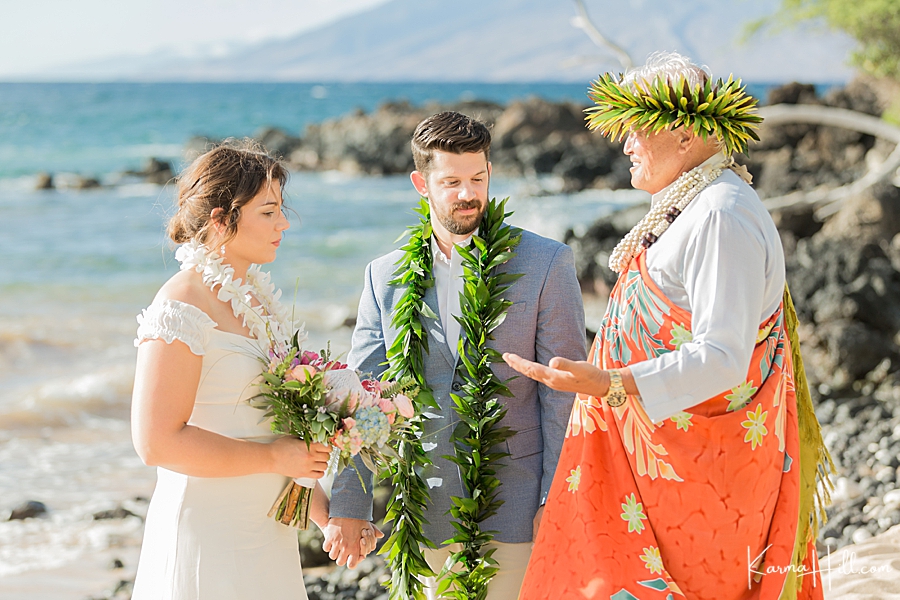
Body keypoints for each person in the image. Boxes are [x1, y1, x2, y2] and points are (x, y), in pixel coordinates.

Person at [504, 52, 829, 599]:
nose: (625, 144)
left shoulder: (721, 214)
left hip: (698, 481)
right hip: (665, 474)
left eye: (635, 130)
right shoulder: (696, 204)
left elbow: (723, 356)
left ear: (682, 135)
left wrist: (610, 382)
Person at [323, 111, 587, 599]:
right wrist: (350, 506)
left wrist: (560, 497)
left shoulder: (547, 263)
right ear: (421, 183)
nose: (468, 194)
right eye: (451, 182)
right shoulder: (384, 276)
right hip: (424, 505)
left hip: (519, 504)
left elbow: (564, 399)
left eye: (477, 178)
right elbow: (361, 401)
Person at [130, 141, 375, 599]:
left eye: (281, 210)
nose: (283, 223)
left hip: (266, 536)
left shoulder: (258, 300)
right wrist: (272, 459)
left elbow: (272, 434)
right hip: (207, 537)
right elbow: (155, 441)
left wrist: (330, 518)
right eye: (268, 212)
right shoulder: (182, 303)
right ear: (222, 219)